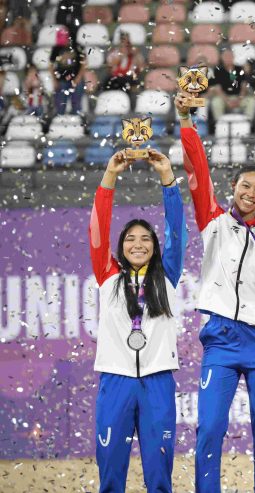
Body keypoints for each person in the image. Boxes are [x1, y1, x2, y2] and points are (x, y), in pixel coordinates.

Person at [175, 92, 255, 493]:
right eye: (245, 186)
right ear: (234, 187)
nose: (251, 194)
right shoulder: (215, 222)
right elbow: (196, 172)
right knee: (209, 429)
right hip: (221, 337)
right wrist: (186, 120)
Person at [89, 149, 187, 493]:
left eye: (146, 238)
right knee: (111, 473)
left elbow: (176, 230)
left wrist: (167, 179)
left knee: (159, 475)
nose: (138, 244)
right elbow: (98, 228)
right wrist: (110, 176)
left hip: (158, 381)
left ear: (156, 247)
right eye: (130, 238)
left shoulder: (167, 276)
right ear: (120, 247)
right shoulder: (107, 275)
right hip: (115, 381)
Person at [49, 27, 87, 114]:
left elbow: (84, 63)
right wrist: (54, 80)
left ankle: (77, 121)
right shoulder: (56, 48)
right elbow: (50, 65)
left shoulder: (77, 46)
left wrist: (79, 78)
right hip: (61, 80)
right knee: (60, 107)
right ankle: (59, 121)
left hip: (76, 79)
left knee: (76, 106)